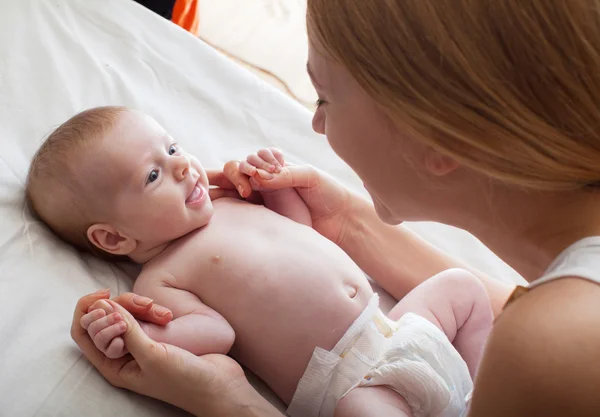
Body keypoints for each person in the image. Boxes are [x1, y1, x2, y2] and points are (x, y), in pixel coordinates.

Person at [71, 0, 600, 416]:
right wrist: (347, 220)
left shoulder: (547, 352)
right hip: (357, 372)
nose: (316, 126)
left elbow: (539, 330)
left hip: (388, 338)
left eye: (322, 98)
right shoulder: (556, 322)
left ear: (436, 139)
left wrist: (226, 401)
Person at [29, 106, 492, 416]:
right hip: (353, 385)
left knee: (462, 287)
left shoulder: (228, 202)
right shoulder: (161, 280)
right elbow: (218, 334)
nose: (183, 167)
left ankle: (489, 392)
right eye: (153, 175)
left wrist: (278, 187)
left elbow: (300, 232)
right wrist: (140, 333)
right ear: (113, 237)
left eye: (171, 149)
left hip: (395, 327)